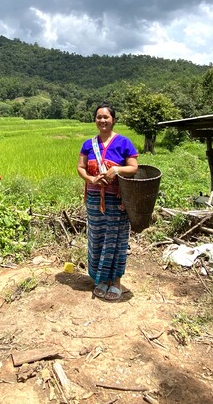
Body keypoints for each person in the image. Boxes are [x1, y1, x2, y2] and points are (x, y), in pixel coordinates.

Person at [77, 102, 139, 301]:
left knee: (117, 240)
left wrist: (116, 170)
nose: (102, 120)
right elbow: (81, 168)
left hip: (117, 201)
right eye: (98, 117)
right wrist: (92, 179)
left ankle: (116, 281)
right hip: (95, 201)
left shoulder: (124, 142)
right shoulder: (88, 144)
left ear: (113, 120)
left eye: (106, 117)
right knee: (97, 239)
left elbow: (134, 168)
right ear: (95, 120)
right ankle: (101, 280)